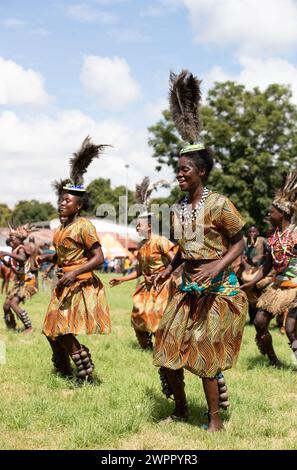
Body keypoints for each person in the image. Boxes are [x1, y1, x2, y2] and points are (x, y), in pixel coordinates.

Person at [153, 70, 248, 432]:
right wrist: (170, 268)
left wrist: (217, 267)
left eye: (185, 170)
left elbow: (239, 242)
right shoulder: (177, 208)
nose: (179, 174)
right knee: (167, 349)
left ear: (202, 171)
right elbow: (183, 248)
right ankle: (179, 409)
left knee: (206, 354)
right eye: (177, 169)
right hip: (186, 289)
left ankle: (215, 421)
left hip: (219, 291)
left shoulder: (221, 205)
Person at [39, 136, 111, 381]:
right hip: (64, 282)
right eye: (61, 200)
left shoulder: (84, 226)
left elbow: (99, 257)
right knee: (51, 330)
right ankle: (63, 368)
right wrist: (44, 259)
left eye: (67, 201)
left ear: (78, 206)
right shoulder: (60, 230)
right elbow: (60, 257)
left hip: (80, 284)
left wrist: (73, 272)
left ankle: (85, 370)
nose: (62, 203)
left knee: (60, 329)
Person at [242, 172, 297, 369]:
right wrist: (250, 282)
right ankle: (274, 361)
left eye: (271, 212)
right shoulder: (274, 236)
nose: (268, 215)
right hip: (277, 287)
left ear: (282, 214)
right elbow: (267, 264)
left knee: (291, 330)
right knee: (259, 323)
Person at [110, 178, 176, 349]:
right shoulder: (141, 247)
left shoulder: (161, 241)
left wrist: (165, 277)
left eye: (139, 225)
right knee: (138, 315)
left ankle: (164, 347)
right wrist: (121, 280)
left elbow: (175, 261)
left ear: (149, 226)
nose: (137, 228)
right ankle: (146, 347)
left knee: (158, 316)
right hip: (146, 287)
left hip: (163, 286)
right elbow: (139, 270)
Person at [0, 225, 37, 332]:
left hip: (28, 281)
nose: (10, 241)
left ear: (18, 240)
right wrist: (4, 260)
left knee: (14, 304)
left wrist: (8, 254)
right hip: (20, 282)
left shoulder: (21, 249)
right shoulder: (15, 250)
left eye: (13, 239)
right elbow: (13, 266)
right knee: (6, 306)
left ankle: (28, 327)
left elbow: (22, 259)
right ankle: (11, 325)